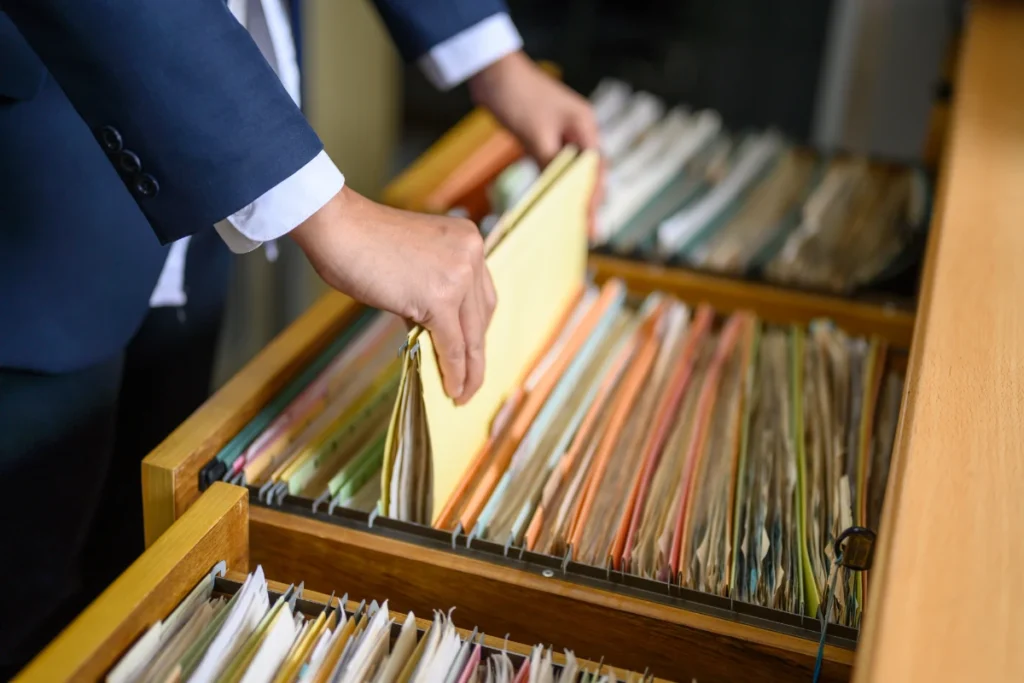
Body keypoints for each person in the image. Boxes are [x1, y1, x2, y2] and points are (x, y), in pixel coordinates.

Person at [0, 0, 598, 674]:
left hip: (206, 161)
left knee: (143, 580)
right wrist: (331, 214)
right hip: (28, 189)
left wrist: (489, 57)